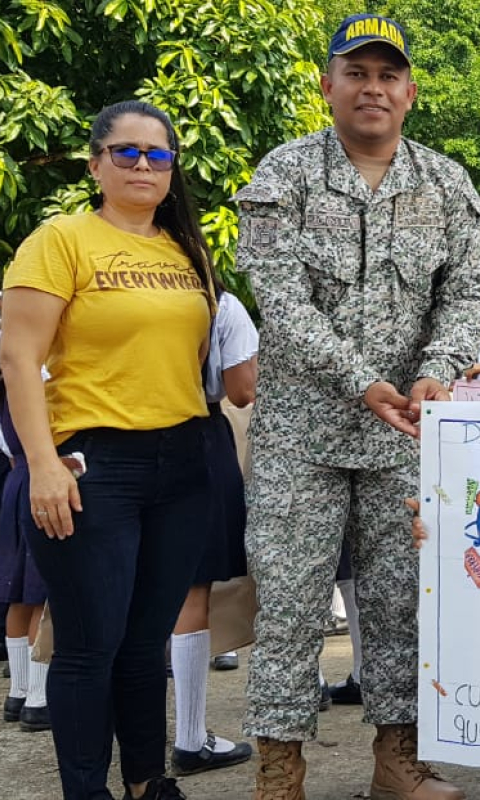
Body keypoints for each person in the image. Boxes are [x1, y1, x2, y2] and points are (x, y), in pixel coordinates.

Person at [233, 13, 480, 800]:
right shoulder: (284, 174)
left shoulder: (446, 182)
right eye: (357, 73)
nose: (373, 88)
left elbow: (472, 284)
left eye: (388, 75)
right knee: (287, 604)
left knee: (403, 603)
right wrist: (360, 378)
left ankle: (398, 760)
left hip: (405, 435)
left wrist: (438, 367)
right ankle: (280, 771)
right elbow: (278, 297)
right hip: (299, 437)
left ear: (409, 92)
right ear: (328, 85)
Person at [1, 99, 218, 800]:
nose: (144, 166)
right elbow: (18, 355)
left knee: (143, 641)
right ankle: (87, 792)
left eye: (158, 154)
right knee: (90, 645)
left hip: (183, 463)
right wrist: (41, 463)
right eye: (127, 152)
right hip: (95, 464)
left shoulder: (185, 251)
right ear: (96, 164)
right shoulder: (60, 239)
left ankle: (147, 782)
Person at [168, 278, 258, 775]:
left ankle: (121, 735)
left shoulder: (119, 293)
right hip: (198, 433)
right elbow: (242, 390)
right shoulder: (218, 302)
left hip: (122, 437)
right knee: (192, 588)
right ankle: (189, 737)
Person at [0, 371, 50, 733]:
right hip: (41, 477)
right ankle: (38, 697)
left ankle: (17, 693)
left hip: (16, 480)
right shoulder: (38, 370)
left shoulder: (6, 375)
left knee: (18, 593)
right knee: (41, 594)